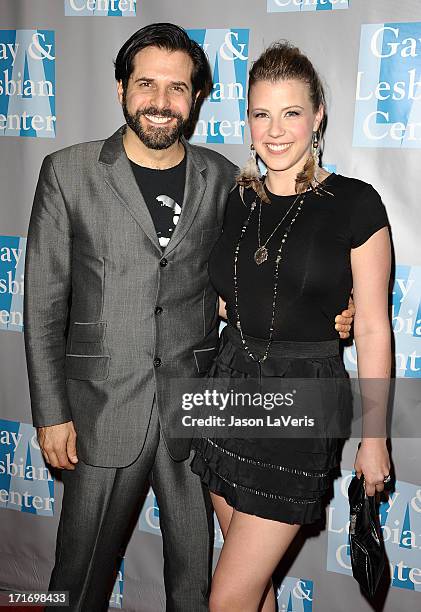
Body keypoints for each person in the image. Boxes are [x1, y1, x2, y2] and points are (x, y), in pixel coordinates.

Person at [23, 24, 354, 611]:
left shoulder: (226, 179)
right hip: (101, 412)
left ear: (197, 98)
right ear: (121, 86)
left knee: (198, 584)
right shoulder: (67, 173)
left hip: (199, 410)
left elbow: (264, 273)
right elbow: (45, 304)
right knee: (75, 579)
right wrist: (51, 413)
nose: (161, 100)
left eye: (178, 88)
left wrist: (333, 310)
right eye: (146, 83)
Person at [190, 41, 391, 612]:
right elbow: (229, 300)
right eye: (261, 114)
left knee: (226, 598)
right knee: (254, 588)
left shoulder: (355, 204)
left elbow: (374, 328)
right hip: (226, 386)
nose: (275, 131)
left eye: (291, 113)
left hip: (300, 401)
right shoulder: (236, 199)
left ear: (318, 115)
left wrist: (374, 439)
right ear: (247, 118)